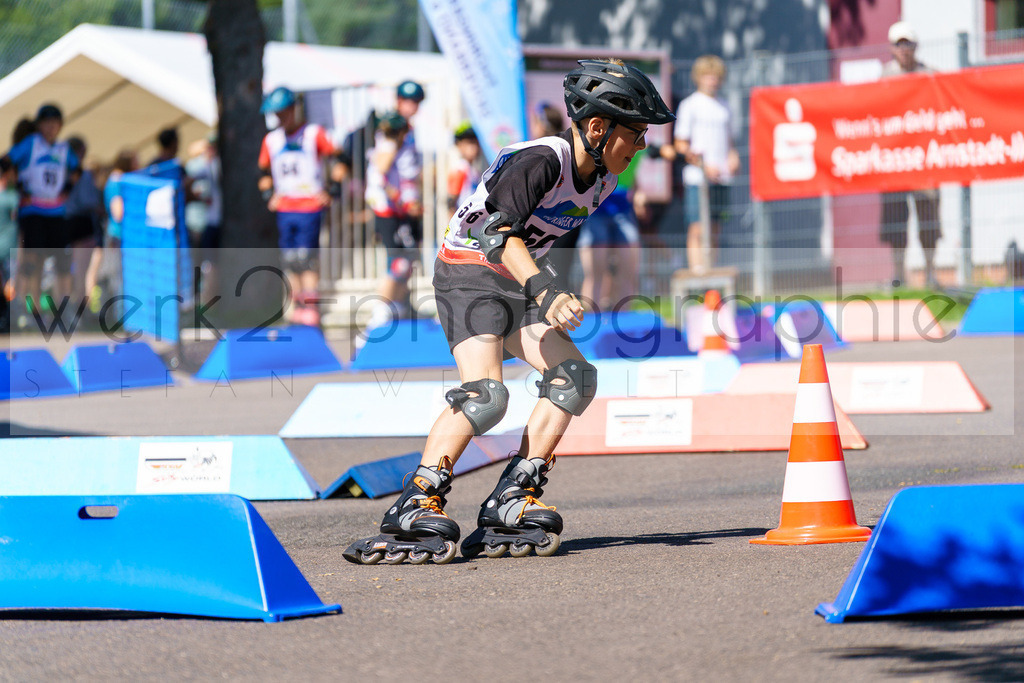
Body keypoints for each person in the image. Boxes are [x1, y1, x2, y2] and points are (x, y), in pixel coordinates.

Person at [343, 58, 675, 565]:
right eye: (636, 132)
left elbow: (539, 240)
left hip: (515, 279)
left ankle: (512, 494)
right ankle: (414, 502)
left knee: (575, 378)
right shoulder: (541, 159)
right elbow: (498, 234)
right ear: (596, 126)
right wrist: (546, 291)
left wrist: (551, 289)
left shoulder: (603, 178)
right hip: (468, 270)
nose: (643, 144)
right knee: (487, 396)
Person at [258, 86, 343, 326]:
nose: (280, 118)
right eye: (277, 114)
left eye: (283, 112)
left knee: (306, 257)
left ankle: (310, 308)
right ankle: (295, 307)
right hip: (285, 207)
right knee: (289, 259)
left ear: (294, 109)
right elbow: (263, 170)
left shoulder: (313, 133)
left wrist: (332, 190)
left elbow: (340, 158)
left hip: (309, 206)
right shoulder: (272, 140)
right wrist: (268, 194)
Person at [0, 103, 80, 323]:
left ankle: (64, 310)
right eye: (46, 123)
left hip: (56, 211)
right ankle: (31, 310)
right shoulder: (31, 144)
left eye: (55, 124)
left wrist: (67, 190)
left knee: (62, 261)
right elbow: (6, 161)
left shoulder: (63, 149)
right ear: (39, 125)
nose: (50, 128)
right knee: (33, 260)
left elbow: (77, 170)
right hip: (33, 210)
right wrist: (17, 186)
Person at [880, 21, 940, 289]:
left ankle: (930, 273)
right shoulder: (883, 80)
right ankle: (899, 275)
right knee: (895, 220)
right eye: (898, 44)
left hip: (924, 160)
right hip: (894, 162)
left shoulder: (930, 76)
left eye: (907, 43)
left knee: (929, 217)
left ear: (915, 46)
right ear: (891, 48)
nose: (903, 49)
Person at [674, 55, 740, 274]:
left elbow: (729, 142)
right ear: (698, 78)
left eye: (716, 76)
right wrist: (703, 166)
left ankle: (711, 271)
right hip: (698, 179)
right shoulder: (689, 105)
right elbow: (681, 144)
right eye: (708, 76)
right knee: (697, 226)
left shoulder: (725, 106)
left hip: (721, 178)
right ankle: (698, 272)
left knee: (715, 227)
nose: (713, 80)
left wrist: (733, 157)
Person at [360, 110, 423, 341]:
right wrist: (398, 196)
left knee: (406, 259)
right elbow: (381, 174)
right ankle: (379, 315)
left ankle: (396, 308)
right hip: (388, 211)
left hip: (397, 211)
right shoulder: (388, 146)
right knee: (397, 262)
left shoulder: (396, 145)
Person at [531, 102, 577, 291]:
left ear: (542, 125)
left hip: (549, 220)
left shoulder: (543, 152)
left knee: (550, 275)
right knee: (560, 272)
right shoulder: (567, 149)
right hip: (569, 219)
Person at [63, 136, 104, 311]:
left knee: (71, 270)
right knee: (83, 270)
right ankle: (81, 308)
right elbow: (89, 202)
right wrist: (101, 209)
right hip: (81, 225)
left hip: (66, 223)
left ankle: (74, 307)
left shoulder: (62, 171)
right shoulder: (82, 174)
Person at [446, 122, 483, 214]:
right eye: (469, 143)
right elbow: (451, 201)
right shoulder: (460, 168)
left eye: (475, 142)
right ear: (459, 145)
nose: (473, 147)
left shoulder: (474, 170)